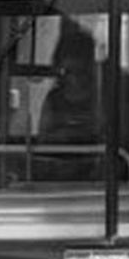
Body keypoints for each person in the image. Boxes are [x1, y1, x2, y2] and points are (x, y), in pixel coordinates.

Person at [36, 28, 103, 180]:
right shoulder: (53, 99)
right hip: (56, 171)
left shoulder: (102, 97)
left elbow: (106, 135)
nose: (75, 79)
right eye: (68, 71)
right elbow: (43, 139)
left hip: (96, 174)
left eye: (80, 71)